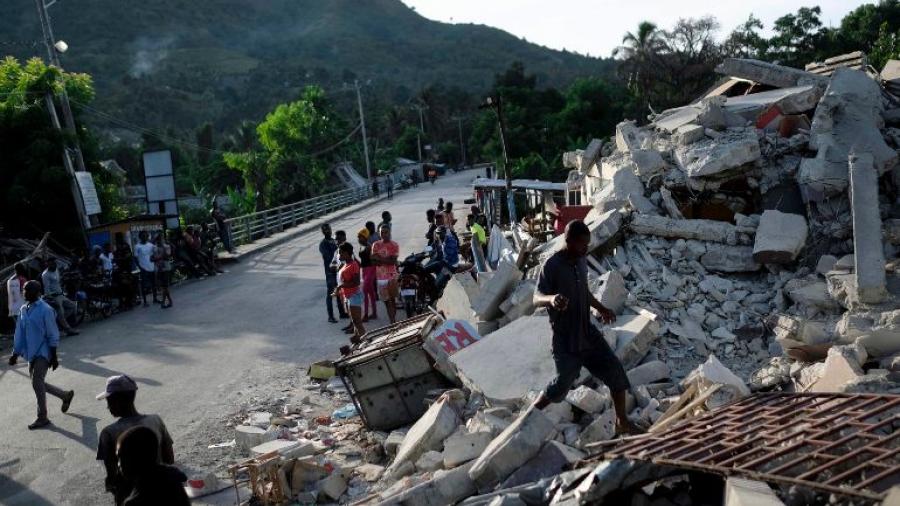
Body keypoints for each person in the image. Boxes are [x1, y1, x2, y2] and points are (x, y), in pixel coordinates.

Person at [531, 220, 640, 435]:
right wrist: (552, 299)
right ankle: (530, 415)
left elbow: (584, 292)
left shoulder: (581, 261)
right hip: (565, 338)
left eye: (587, 244)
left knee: (615, 372)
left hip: (587, 333)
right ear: (568, 241)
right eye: (582, 244)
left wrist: (602, 308)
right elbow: (536, 297)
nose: (586, 248)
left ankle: (622, 421)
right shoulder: (552, 265)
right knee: (561, 385)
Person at [96, 374, 177, 505]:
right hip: (162, 490)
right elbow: (169, 459)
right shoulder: (155, 420)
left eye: (108, 402)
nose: (108, 407)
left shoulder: (108, 433)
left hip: (129, 495)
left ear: (117, 401)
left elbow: (112, 475)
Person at [8, 280, 75, 430]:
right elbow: (19, 333)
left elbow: (53, 333)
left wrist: (54, 356)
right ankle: (64, 395)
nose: (24, 293)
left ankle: (42, 417)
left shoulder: (45, 309)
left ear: (37, 292)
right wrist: (15, 354)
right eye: (23, 290)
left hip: (43, 352)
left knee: (36, 382)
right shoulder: (23, 309)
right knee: (37, 383)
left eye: (27, 290)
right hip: (30, 353)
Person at [115, 426, 188, 506]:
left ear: (134, 460)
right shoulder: (172, 475)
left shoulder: (134, 501)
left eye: (120, 457)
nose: (118, 464)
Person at [334, 243, 365, 340]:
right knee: (354, 320)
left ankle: (365, 340)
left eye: (340, 253)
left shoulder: (353, 265)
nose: (339, 255)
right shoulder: (345, 264)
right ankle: (358, 338)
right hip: (348, 296)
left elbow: (356, 282)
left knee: (357, 322)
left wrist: (341, 286)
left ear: (347, 253)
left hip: (354, 296)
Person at [41, 258, 79, 337]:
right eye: (51, 263)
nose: (53, 264)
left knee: (73, 306)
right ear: (47, 264)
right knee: (60, 313)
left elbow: (58, 283)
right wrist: (51, 299)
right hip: (54, 296)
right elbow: (46, 289)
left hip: (61, 294)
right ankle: (68, 329)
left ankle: (58, 322)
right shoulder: (45, 275)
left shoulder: (56, 270)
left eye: (54, 262)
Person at [371, 224, 399, 324]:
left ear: (389, 232)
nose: (384, 234)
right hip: (381, 278)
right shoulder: (375, 245)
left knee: (393, 300)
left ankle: (393, 322)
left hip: (392, 276)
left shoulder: (394, 245)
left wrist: (380, 259)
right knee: (387, 302)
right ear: (379, 233)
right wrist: (387, 259)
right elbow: (373, 262)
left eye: (386, 232)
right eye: (381, 232)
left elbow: (392, 262)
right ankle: (393, 322)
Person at [319, 224, 344, 323]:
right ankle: (330, 316)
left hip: (338, 270)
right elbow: (329, 257)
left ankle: (342, 313)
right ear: (323, 232)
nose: (327, 231)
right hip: (330, 272)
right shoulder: (323, 244)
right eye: (325, 230)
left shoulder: (334, 241)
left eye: (328, 229)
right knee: (330, 294)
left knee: (339, 292)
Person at [331, 230, 352, 331]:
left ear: (344, 238)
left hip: (348, 282)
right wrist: (334, 266)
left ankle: (354, 325)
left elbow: (352, 263)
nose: (337, 241)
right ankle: (351, 323)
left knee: (351, 304)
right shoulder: (336, 252)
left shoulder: (348, 250)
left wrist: (341, 267)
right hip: (340, 282)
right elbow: (332, 263)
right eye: (336, 239)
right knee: (346, 304)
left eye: (339, 239)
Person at [358, 228, 378, 322]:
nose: (358, 239)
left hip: (370, 269)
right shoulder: (362, 246)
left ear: (365, 237)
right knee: (370, 292)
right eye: (358, 237)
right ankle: (374, 313)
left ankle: (366, 314)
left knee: (365, 292)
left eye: (360, 237)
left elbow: (373, 260)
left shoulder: (369, 247)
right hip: (364, 270)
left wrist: (373, 272)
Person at [134, 232, 158, 307]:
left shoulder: (151, 245)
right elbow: (135, 258)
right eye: (143, 236)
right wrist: (140, 267)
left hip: (151, 267)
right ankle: (145, 301)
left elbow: (155, 253)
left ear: (147, 237)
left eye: (146, 236)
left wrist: (154, 261)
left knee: (154, 284)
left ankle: (155, 298)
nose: (145, 237)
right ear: (140, 237)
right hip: (143, 268)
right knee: (144, 286)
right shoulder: (137, 246)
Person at [153, 234, 173, 309]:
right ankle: (170, 301)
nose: (158, 241)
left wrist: (158, 257)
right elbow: (152, 258)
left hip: (165, 268)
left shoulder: (166, 246)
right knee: (163, 286)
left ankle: (164, 302)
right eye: (157, 239)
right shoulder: (155, 248)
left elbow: (167, 256)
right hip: (158, 268)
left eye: (160, 239)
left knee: (165, 286)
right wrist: (157, 258)